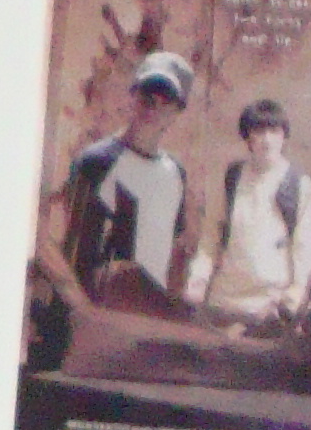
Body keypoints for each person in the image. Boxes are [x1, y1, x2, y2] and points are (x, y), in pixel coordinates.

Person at [38, 48, 195, 304]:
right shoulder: (97, 162)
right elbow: (76, 256)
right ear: (133, 96)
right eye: (147, 96)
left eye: (165, 100)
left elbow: (172, 249)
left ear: (177, 111)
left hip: (151, 314)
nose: (153, 107)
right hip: (100, 311)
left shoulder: (175, 173)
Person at [187, 96, 311, 321]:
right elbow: (211, 236)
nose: (266, 140)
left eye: (274, 131)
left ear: (284, 135)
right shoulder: (231, 179)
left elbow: (305, 248)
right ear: (247, 137)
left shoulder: (298, 185)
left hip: (271, 308)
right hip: (224, 301)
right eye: (258, 132)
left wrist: (296, 298)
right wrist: (198, 279)